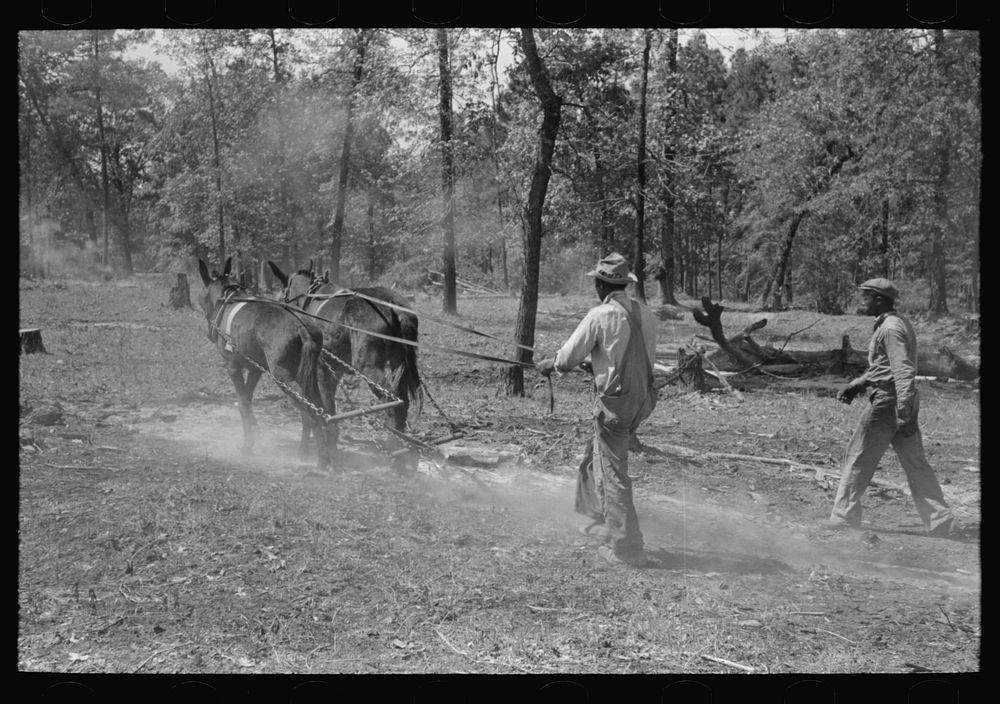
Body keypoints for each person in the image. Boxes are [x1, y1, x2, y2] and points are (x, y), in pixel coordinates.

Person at [536, 252, 659, 567]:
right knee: (597, 455)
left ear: (601, 285)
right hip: (643, 401)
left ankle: (628, 549)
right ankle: (597, 515)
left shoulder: (600, 315)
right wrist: (599, 364)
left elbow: (566, 359)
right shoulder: (646, 314)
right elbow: (630, 356)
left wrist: (550, 364)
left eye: (596, 283)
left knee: (615, 472)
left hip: (615, 405)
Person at [823, 278, 956, 537]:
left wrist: (903, 411)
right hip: (899, 401)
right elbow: (883, 367)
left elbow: (902, 369)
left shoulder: (891, 328)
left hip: (889, 403)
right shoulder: (894, 324)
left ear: (880, 299)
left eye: (867, 297)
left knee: (858, 456)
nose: (864, 302)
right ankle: (941, 521)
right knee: (916, 463)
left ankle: (844, 516)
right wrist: (858, 384)